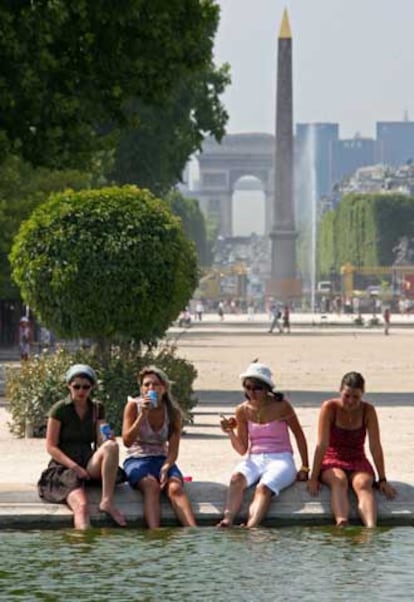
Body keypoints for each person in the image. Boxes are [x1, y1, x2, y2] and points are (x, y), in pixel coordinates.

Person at [218, 361, 309, 528]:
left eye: (257, 388)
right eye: (248, 387)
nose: (252, 392)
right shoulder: (242, 410)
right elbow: (242, 449)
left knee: (264, 488)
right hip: (255, 458)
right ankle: (227, 520)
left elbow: (299, 435)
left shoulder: (282, 406)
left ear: (267, 388)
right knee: (236, 478)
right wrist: (230, 432)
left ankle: (251, 526)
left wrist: (304, 468)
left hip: (281, 458)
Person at [38, 364, 126, 529]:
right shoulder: (60, 410)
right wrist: (75, 467)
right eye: (76, 386)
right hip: (64, 465)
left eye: (86, 387)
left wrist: (107, 437)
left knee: (112, 446)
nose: (81, 391)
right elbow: (51, 447)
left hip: (88, 460)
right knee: (82, 506)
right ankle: (82, 550)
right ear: (68, 386)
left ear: (92, 387)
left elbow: (102, 440)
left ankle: (107, 501)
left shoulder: (96, 408)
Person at [307, 371, 396, 528]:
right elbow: (322, 444)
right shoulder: (329, 408)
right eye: (347, 396)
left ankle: (371, 528)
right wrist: (313, 477)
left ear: (362, 395)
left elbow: (375, 446)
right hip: (332, 458)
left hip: (357, 458)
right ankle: (342, 522)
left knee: (363, 483)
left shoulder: (368, 410)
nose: (350, 401)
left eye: (356, 397)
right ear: (340, 391)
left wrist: (382, 479)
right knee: (339, 480)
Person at [122, 365, 196, 528]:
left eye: (155, 384)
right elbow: (126, 441)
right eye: (146, 385)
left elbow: (173, 450)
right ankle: (155, 533)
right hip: (137, 458)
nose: (150, 388)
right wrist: (143, 415)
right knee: (151, 486)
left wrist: (166, 467)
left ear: (164, 388)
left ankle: (193, 532)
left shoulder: (173, 412)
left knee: (175, 488)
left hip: (162, 458)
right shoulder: (133, 406)